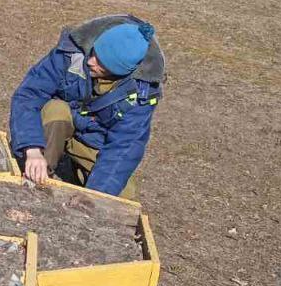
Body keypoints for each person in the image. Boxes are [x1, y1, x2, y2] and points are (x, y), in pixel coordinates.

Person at [9, 14, 165, 198]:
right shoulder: (71, 52)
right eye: (95, 53)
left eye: (101, 63)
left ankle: (81, 177)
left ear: (120, 71)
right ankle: (37, 173)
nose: (91, 61)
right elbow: (28, 95)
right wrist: (32, 149)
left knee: (122, 194)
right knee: (55, 110)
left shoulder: (141, 94)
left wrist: (92, 199)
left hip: (94, 140)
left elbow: (124, 148)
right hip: (58, 124)